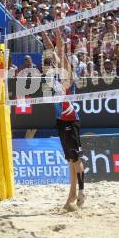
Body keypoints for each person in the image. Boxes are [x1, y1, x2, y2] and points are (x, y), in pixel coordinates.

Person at [42, 28, 85, 211]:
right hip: (60, 120)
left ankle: (81, 192)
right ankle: (72, 195)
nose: (56, 60)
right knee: (70, 160)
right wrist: (43, 33)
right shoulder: (54, 73)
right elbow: (51, 50)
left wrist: (58, 30)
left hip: (70, 119)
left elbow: (59, 50)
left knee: (75, 159)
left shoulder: (67, 74)